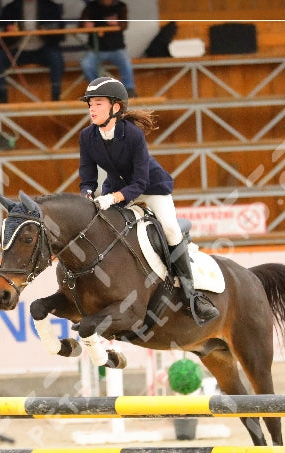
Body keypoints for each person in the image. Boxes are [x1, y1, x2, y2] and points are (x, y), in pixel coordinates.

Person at [78, 77, 219, 325]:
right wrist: (88, 196)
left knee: (171, 229)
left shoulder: (132, 135)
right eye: (90, 104)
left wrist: (111, 198)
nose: (92, 108)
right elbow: (88, 176)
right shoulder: (87, 137)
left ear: (116, 107)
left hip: (151, 187)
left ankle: (191, 296)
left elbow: (140, 183)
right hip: (116, 189)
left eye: (98, 103)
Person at [0, 0, 64, 103]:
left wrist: (47, 32)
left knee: (56, 58)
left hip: (42, 50)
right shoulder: (10, 8)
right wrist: (8, 31)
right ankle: (2, 99)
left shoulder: (50, 6)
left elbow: (60, 33)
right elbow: (1, 32)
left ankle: (56, 98)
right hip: (17, 51)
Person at [79, 0, 136, 97]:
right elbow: (81, 25)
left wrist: (116, 24)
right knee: (86, 64)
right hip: (96, 49)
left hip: (116, 48)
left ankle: (129, 89)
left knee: (126, 61)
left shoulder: (120, 6)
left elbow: (124, 25)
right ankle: (99, 90)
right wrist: (85, 25)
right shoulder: (91, 7)